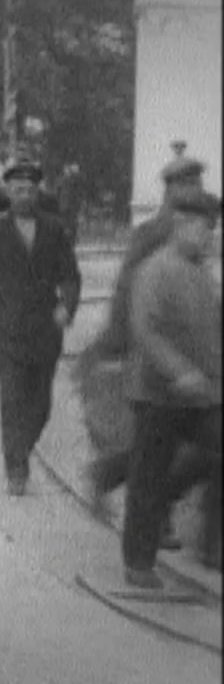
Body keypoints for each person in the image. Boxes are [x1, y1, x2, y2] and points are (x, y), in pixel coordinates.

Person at [78, 157, 211, 549]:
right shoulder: (150, 234)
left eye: (197, 184)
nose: (193, 191)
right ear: (169, 190)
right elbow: (125, 295)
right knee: (158, 444)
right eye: (185, 185)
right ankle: (115, 483)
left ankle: (129, 493)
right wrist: (117, 345)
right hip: (149, 357)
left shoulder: (196, 235)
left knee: (167, 444)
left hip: (181, 358)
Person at [121, 190, 222, 586]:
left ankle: (199, 527)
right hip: (156, 395)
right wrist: (180, 372)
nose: (210, 237)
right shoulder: (155, 270)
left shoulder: (202, 274)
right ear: (182, 225)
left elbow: (210, 338)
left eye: (212, 229)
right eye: (204, 229)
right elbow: (146, 331)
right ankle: (138, 563)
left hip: (202, 398)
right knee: (147, 474)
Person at [0, 158, 81, 496]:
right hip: (8, 332)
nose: (24, 195)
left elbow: (71, 276)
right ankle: (16, 468)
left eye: (30, 189)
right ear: (8, 192)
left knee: (41, 406)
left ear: (37, 191)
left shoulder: (55, 229)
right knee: (13, 401)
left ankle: (20, 450)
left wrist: (67, 306)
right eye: (17, 190)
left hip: (46, 331)